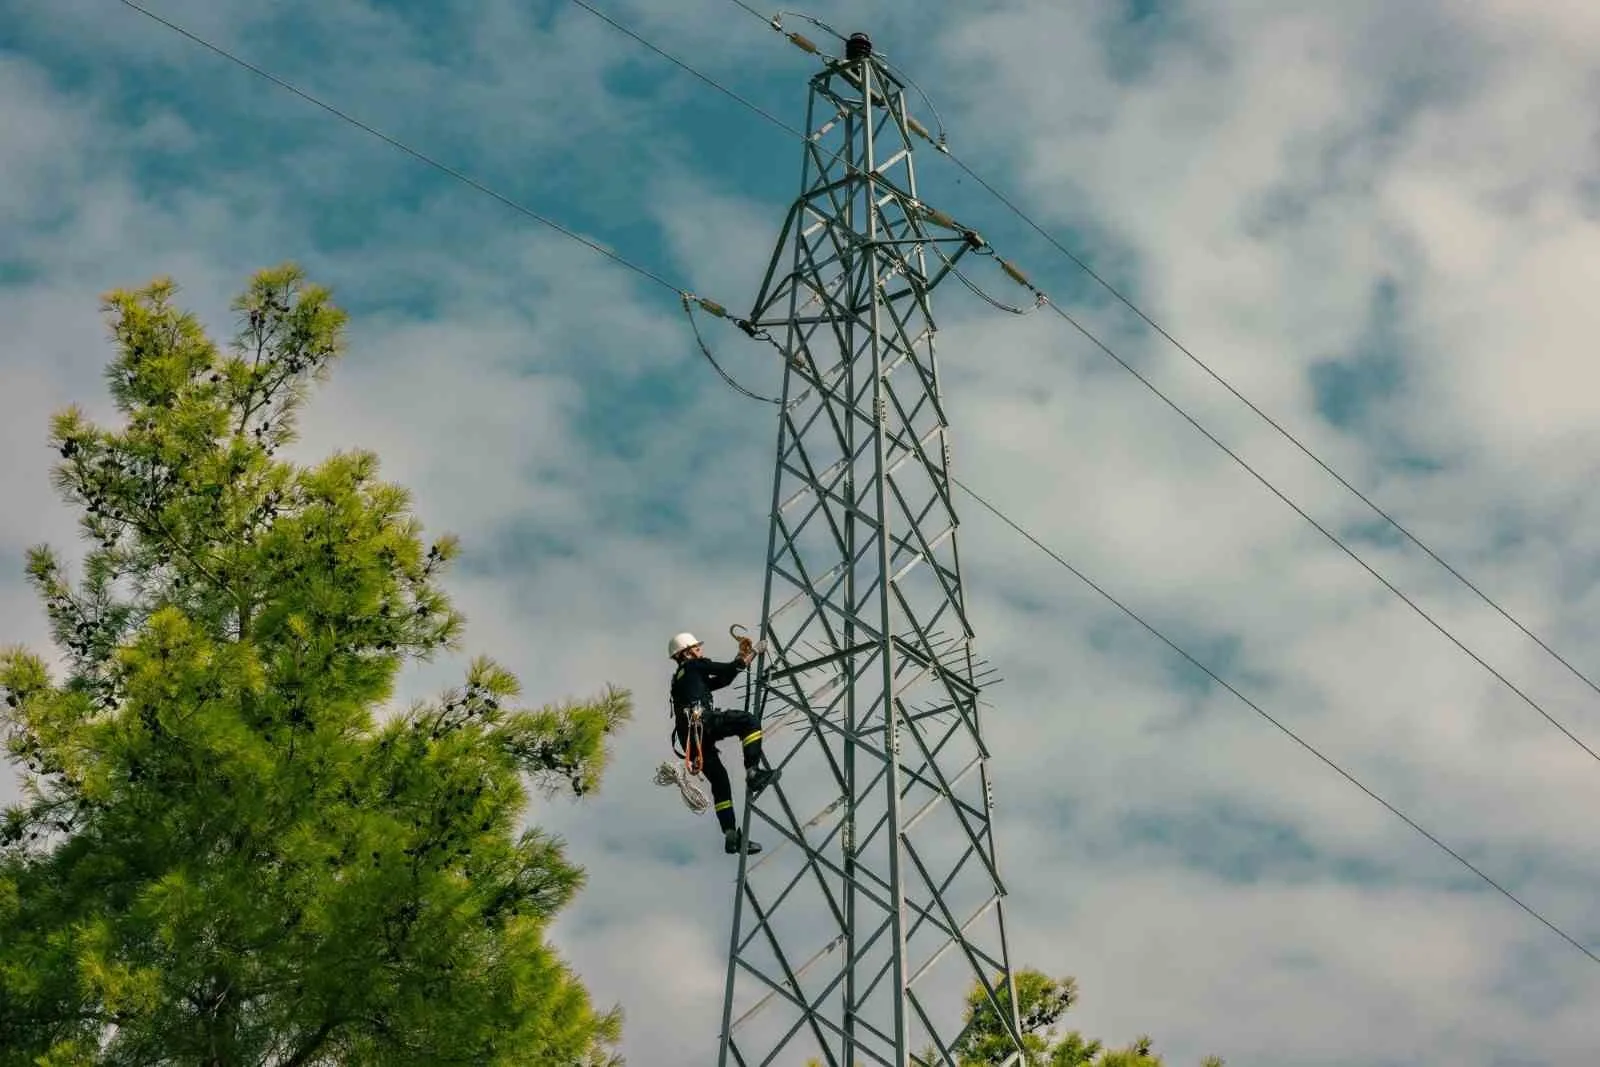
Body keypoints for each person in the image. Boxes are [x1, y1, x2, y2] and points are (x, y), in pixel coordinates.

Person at [668, 630, 780, 855]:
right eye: (697, 648)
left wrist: (744, 657)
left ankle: (730, 836)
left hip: (692, 739)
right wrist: (751, 653)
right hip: (703, 722)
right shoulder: (694, 666)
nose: (701, 651)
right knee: (748, 722)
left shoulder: (681, 677)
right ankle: (753, 773)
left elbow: (724, 679)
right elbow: (729, 668)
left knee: (719, 782)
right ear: (687, 653)